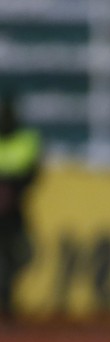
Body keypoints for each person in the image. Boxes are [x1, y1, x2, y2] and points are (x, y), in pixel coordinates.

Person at [0, 94, 42, 323]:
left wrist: (12, 192)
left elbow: (33, 174)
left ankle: (8, 301)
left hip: (15, 212)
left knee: (23, 255)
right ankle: (6, 305)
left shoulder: (27, 141)